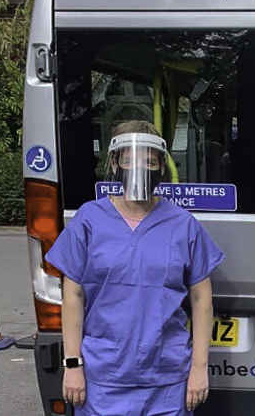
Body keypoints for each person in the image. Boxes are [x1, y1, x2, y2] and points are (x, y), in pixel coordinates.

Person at [46, 120, 225, 415]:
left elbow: (201, 299)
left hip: (166, 380)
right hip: (103, 379)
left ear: (161, 164)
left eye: (149, 159)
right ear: (115, 161)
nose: (140, 166)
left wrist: (199, 368)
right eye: (130, 158)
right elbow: (73, 296)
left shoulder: (182, 224)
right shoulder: (89, 220)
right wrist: (73, 363)